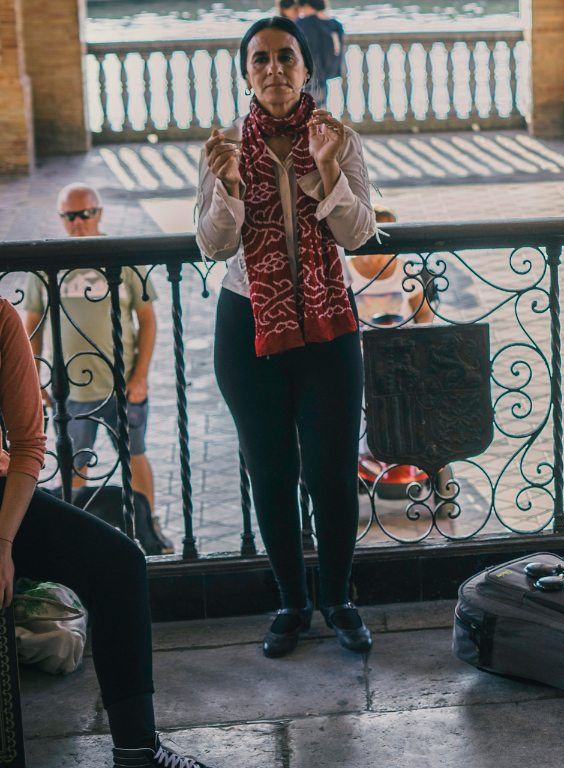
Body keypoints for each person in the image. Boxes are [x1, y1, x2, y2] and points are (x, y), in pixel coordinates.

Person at [196, 16, 376, 659]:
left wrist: (328, 170)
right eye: (260, 60)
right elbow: (215, 245)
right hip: (248, 323)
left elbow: (357, 238)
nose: (273, 69)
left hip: (328, 321)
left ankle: (339, 599)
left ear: (307, 69)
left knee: (331, 473)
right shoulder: (222, 147)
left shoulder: (338, 137)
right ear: (247, 74)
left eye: (285, 58)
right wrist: (230, 187)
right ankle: (291, 602)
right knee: (269, 470)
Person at [0, 298, 217, 767]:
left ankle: (137, 749)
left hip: (1, 495)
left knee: (119, 561)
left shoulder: (0, 318)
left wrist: (3, 543)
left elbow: (28, 446)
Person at [21, 184, 161, 516]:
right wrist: (36, 380)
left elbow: (147, 320)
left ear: (99, 213)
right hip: (69, 389)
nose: (79, 222)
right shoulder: (47, 263)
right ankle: (77, 534)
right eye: (70, 216)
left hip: (121, 384)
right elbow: (33, 327)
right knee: (73, 461)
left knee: (134, 455)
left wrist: (140, 376)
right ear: (60, 218)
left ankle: (148, 526)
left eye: (86, 213)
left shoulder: (122, 258)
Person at [347, 205, 434, 326]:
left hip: (403, 341)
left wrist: (419, 338)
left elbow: (424, 312)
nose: (387, 238)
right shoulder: (345, 270)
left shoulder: (405, 268)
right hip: (362, 343)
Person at [295, 0, 344, 109]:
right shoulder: (334, 25)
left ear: (306, 5)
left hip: (307, 78)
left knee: (306, 115)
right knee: (319, 113)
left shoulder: (305, 23)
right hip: (323, 77)